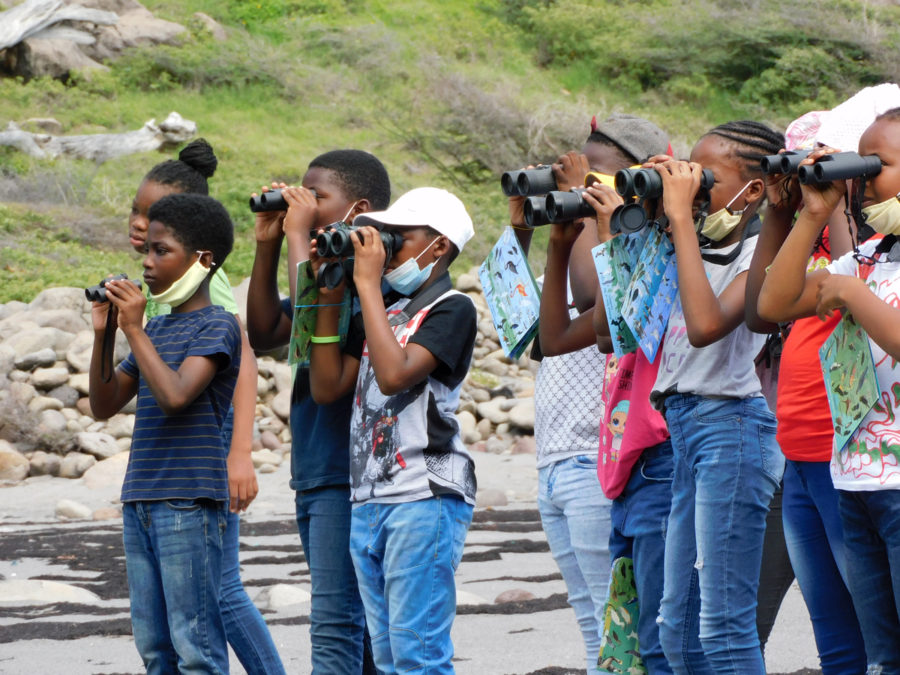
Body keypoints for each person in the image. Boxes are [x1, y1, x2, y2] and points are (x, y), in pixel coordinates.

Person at [518, 113, 673, 672]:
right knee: (597, 625)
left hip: (597, 454)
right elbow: (536, 336)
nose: (583, 192)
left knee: (627, 627)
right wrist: (533, 232)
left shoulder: (640, 248)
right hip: (558, 457)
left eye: (596, 178)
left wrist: (585, 215)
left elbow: (594, 301)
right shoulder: (588, 242)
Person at [129, 140, 284, 675]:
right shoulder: (161, 299)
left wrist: (238, 452)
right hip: (158, 475)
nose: (139, 229)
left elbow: (242, 360)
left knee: (221, 594)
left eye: (152, 220)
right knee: (200, 606)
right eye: (137, 214)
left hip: (200, 456)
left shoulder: (204, 289)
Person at [308, 187, 477, 674]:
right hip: (371, 501)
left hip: (425, 497)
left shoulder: (451, 307)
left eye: (398, 239)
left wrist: (365, 286)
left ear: (438, 245)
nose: (385, 249)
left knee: (418, 655)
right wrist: (330, 291)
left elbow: (395, 373)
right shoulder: (386, 311)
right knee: (386, 658)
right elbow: (326, 385)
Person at [758, 108, 900, 672]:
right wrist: (812, 212)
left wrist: (849, 293)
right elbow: (772, 305)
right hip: (855, 482)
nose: (861, 182)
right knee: (884, 658)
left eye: (878, 166)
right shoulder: (865, 258)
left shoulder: (852, 278)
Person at [647, 121, 786, 674]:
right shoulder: (690, 244)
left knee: (724, 624)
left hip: (733, 428)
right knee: (675, 628)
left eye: (708, 178)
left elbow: (705, 325)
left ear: (752, 191)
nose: (696, 188)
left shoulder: (761, 253)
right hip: (683, 428)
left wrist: (680, 218)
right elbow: (618, 327)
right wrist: (648, 217)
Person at [246, 149, 390, 674]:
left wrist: (295, 240)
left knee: (335, 623)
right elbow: (264, 333)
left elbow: (306, 337)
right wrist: (268, 244)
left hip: (346, 473)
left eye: (318, 197)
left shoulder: (365, 283)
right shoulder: (321, 273)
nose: (302, 205)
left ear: (360, 209)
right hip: (314, 470)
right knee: (365, 628)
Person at [89, 193, 241, 673]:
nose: (148, 263)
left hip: (187, 501)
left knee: (195, 646)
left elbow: (177, 396)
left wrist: (134, 329)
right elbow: (104, 404)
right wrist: (105, 333)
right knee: (155, 647)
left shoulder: (218, 325)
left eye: (161, 251)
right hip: (141, 498)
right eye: (145, 252)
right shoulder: (154, 329)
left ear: (202, 260)